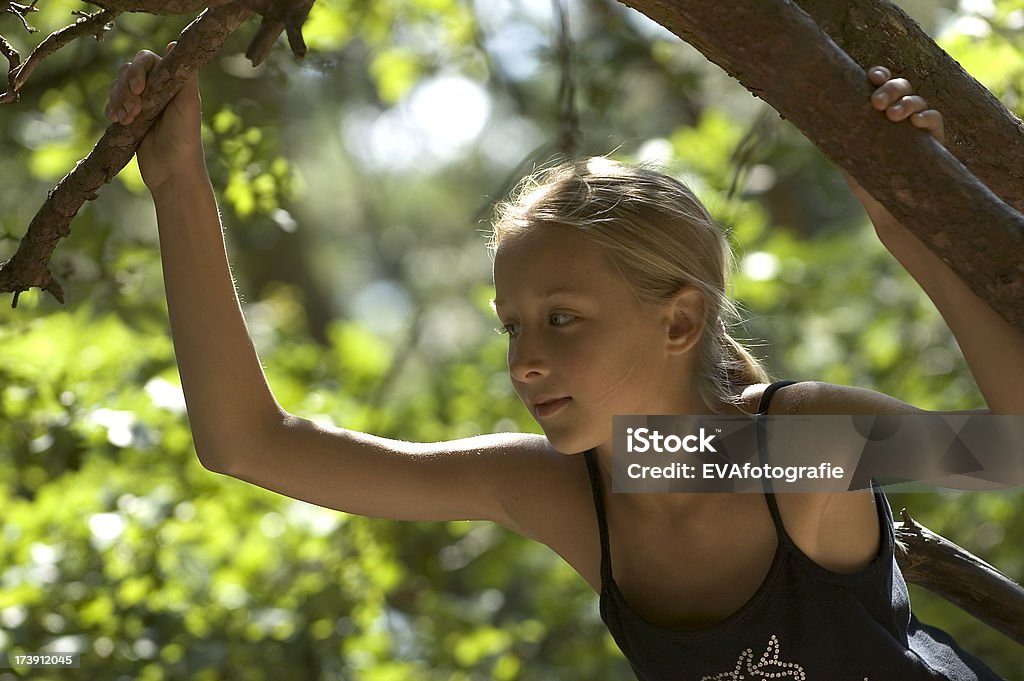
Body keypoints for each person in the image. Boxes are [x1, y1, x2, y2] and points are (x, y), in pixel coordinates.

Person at [106, 44, 1020, 679]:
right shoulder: (569, 489)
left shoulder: (789, 447)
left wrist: (912, 222)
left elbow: (1012, 447)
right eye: (512, 327)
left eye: (561, 318)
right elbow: (249, 444)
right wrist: (179, 184)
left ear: (679, 321)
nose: (524, 361)